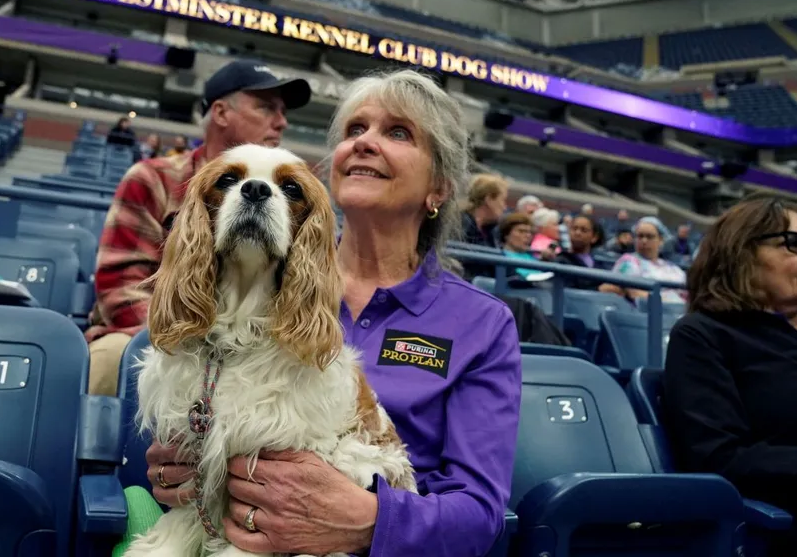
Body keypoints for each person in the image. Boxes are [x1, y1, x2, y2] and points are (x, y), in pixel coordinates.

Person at [138, 69, 520, 557]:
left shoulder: (481, 323)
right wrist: (185, 461)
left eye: (397, 132)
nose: (364, 143)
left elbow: (480, 517)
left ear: (439, 188)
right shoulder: (242, 288)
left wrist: (366, 520)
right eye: (354, 130)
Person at [86, 59, 311, 396]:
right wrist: (197, 345)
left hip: (253, 345)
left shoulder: (292, 196)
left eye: (282, 112)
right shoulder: (153, 178)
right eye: (266, 108)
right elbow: (120, 288)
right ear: (220, 113)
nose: (281, 122)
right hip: (154, 333)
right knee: (109, 358)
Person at [663, 197, 797, 556]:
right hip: (789, 524)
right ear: (741, 255)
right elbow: (719, 459)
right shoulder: (703, 335)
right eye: (796, 244)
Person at [600, 217, 686, 304]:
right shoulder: (628, 261)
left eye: (649, 237)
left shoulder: (672, 268)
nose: (644, 241)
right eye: (640, 236)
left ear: (661, 240)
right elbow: (634, 292)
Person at [499, 212, 554, 281]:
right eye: (521, 231)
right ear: (506, 234)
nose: (528, 236)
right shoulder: (500, 257)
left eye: (529, 232)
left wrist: (546, 261)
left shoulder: (533, 257)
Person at [556, 213, 606, 290]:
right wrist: (599, 290)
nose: (577, 233)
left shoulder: (599, 264)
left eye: (584, 230)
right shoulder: (562, 261)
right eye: (574, 228)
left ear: (594, 237)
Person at [460, 173, 508, 248]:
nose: (504, 207)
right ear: (489, 199)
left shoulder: (492, 230)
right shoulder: (460, 225)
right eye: (503, 200)